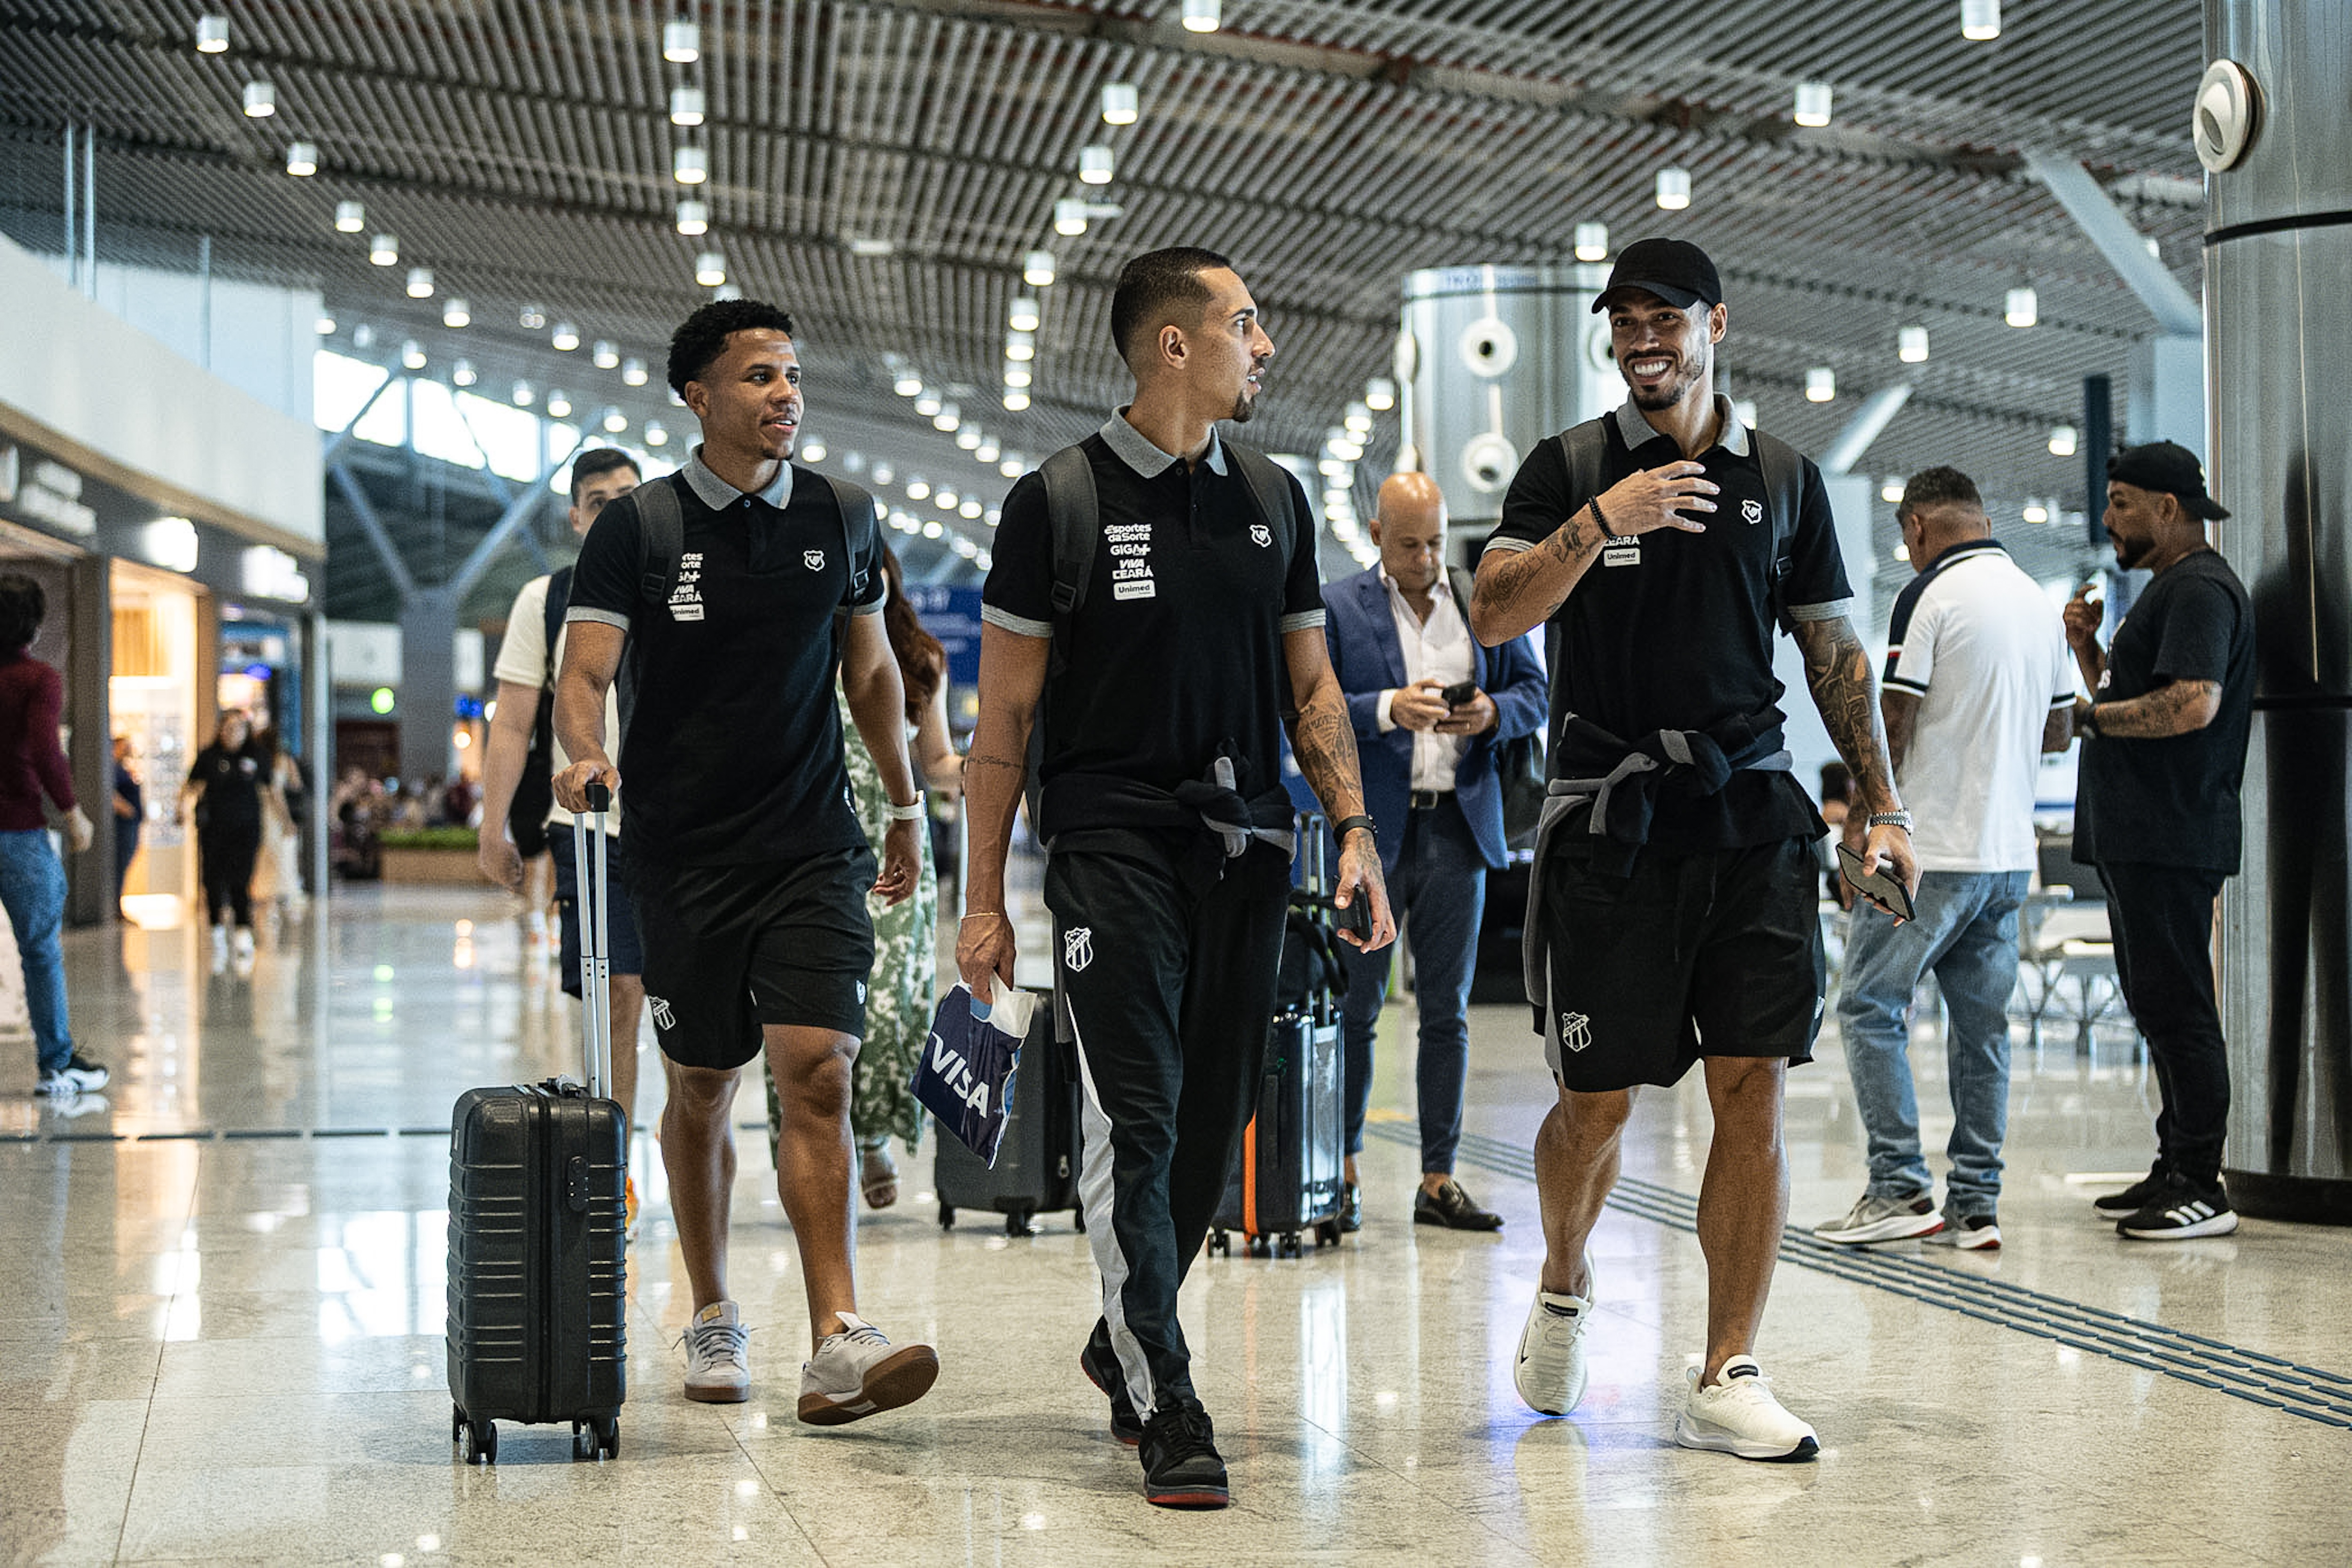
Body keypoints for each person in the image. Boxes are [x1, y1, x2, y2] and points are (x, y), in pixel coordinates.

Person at [958, 246, 1396, 1510]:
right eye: (1245, 323)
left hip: (1247, 844)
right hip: (1110, 846)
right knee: (1140, 1118)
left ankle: (1122, 1333)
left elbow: (1311, 687)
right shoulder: (1059, 501)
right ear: (1174, 345)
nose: (1264, 346)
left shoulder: (1276, 498)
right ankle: (1169, 1396)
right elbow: (1005, 720)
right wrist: (983, 899)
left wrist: (1352, 828)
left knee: (1216, 1115)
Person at [1470, 237, 1916, 1461]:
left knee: (1751, 1084)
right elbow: (1493, 611)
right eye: (1624, 322)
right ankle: (1563, 1276)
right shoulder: (1570, 467)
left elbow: (1833, 653)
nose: (1642, 340)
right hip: (1610, 827)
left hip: (1749, 815)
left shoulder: (1783, 478)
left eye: (1663, 319)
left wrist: (1880, 805)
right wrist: (1598, 523)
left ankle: (1727, 1366)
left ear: (1715, 324)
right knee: (1595, 1102)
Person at [553, 298, 939, 1422]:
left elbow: (871, 671)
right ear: (699, 395)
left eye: (793, 376)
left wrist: (904, 802)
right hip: (683, 857)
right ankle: (713, 1306)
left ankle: (836, 1336)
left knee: (817, 1068)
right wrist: (584, 753)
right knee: (705, 1084)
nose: (785, 394)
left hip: (812, 842)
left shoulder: (841, 513)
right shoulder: (640, 527)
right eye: (760, 375)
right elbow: (585, 674)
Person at [1813, 468, 2076, 1254]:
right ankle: (1976, 1206)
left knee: (1868, 1005)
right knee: (1982, 1031)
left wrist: (1862, 827)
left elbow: (1891, 723)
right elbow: (2059, 733)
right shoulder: (2038, 605)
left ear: (1918, 525)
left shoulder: (1929, 594)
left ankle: (1898, 1185)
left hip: (1926, 854)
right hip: (2007, 858)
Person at [1321, 470, 1546, 1232]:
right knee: (1356, 1009)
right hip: (1370, 835)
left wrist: (1491, 712)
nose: (1425, 559)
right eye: (1409, 544)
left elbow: (1535, 692)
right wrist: (1390, 707)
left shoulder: (1481, 603)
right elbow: (1312, 706)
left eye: (1436, 543)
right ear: (1377, 535)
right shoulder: (1339, 607)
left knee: (1447, 1012)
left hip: (1459, 828)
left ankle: (1438, 1177)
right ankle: (1342, 1171)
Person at [2066, 441, 2256, 1240]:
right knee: (2156, 1004)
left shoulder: (2200, 590)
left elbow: (2191, 704)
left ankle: (2201, 1184)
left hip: (2171, 833)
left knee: (2179, 1008)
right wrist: (2087, 650)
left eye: (2122, 504)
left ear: (2168, 508)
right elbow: (2138, 696)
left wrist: (2085, 719)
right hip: (2141, 835)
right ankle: (2174, 1162)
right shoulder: (2168, 590)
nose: (2109, 520)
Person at [763, 544, 962, 1210]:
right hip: (814, 842)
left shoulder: (919, 658)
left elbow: (935, 758)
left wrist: (987, 770)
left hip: (896, 849)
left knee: (888, 1005)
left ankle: (869, 1135)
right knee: (810, 1004)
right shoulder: (802, 646)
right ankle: (821, 1136)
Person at [480, 446, 649, 1230]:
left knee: (683, 1009)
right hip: (589, 830)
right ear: (577, 518)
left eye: (629, 496)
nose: (614, 509)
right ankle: (615, 1166)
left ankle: (678, 1143)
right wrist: (492, 824)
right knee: (617, 996)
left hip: (682, 829)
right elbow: (513, 721)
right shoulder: (545, 601)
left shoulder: (677, 588)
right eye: (599, 500)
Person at [0, 575, 102, 1095]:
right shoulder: (38, 679)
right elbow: (45, 749)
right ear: (34, 627)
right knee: (40, 949)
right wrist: (72, 811)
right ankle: (57, 1064)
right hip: (17, 830)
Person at [181, 711, 266, 971]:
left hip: (246, 828)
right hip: (215, 829)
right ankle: (216, 929)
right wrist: (180, 809)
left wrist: (286, 822)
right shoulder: (209, 756)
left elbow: (270, 789)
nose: (232, 733)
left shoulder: (256, 756)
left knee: (241, 879)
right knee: (214, 880)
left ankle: (243, 929)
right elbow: (192, 785)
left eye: (238, 728)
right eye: (228, 728)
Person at [111, 734, 142, 903]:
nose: (127, 750)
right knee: (120, 864)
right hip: (123, 825)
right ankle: (116, 904)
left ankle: (118, 902)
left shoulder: (123, 768)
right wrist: (125, 808)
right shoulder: (113, 770)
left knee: (125, 862)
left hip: (131, 824)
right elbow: (109, 794)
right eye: (124, 746)